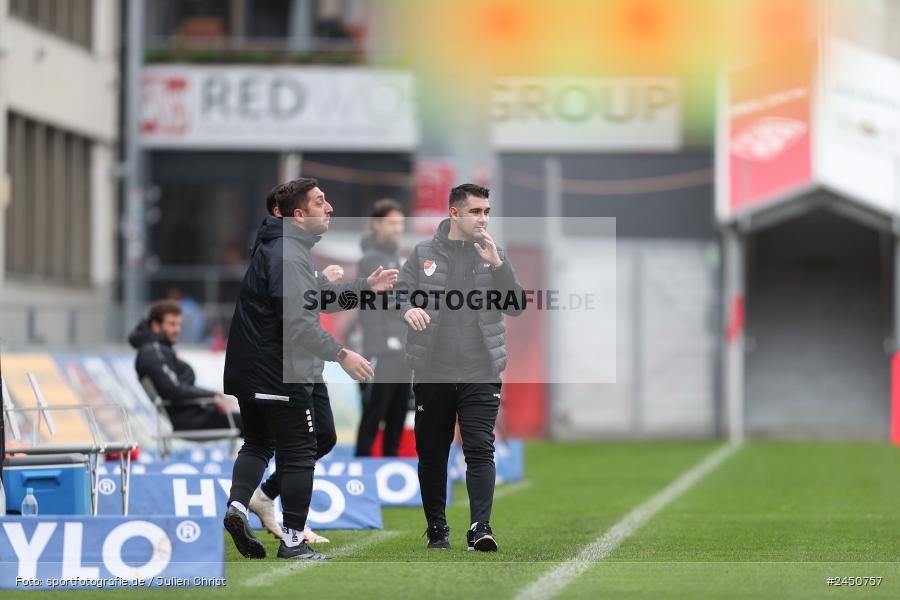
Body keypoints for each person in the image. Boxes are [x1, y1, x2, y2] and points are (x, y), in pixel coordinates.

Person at [223, 177, 398, 561]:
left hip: (255, 368)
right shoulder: (287, 253)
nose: (330, 207)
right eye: (321, 202)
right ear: (298, 214)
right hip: (279, 369)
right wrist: (342, 355)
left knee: (265, 442)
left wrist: (365, 287)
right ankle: (292, 541)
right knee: (301, 449)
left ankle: (242, 506)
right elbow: (298, 322)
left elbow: (313, 299)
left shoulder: (284, 249)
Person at [395, 183, 525, 552]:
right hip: (433, 370)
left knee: (480, 448)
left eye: (486, 211)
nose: (483, 219)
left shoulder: (495, 254)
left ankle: (480, 527)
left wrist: (498, 266)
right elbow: (400, 292)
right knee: (433, 453)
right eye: (475, 212)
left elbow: (515, 304)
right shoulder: (422, 254)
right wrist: (407, 308)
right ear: (454, 213)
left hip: (480, 370)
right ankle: (437, 528)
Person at [129, 300, 241, 433]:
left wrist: (212, 398)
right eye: (171, 324)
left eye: (178, 324)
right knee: (253, 425)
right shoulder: (152, 352)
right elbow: (174, 389)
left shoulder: (158, 349)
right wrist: (213, 397)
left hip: (194, 414)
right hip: (190, 420)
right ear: (155, 326)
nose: (177, 330)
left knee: (254, 423)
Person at [355, 199, 412, 457]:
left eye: (400, 223)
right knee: (375, 411)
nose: (397, 228)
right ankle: (362, 465)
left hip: (401, 348)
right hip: (380, 348)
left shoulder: (393, 257)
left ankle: (391, 465)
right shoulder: (371, 260)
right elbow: (385, 298)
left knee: (398, 411)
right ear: (376, 225)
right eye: (391, 222)